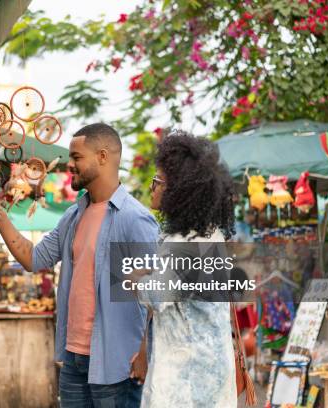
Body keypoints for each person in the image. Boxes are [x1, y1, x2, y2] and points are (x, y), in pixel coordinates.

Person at [0, 123, 161, 407]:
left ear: (102, 157)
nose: (70, 164)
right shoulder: (74, 216)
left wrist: (144, 351)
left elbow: (157, 292)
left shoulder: (133, 219)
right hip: (74, 357)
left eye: (77, 157)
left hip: (117, 362)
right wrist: (0, 217)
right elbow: (33, 258)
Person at [139, 131, 237, 407]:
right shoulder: (212, 236)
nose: (152, 187)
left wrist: (137, 278)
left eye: (157, 181)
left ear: (179, 190)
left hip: (184, 382)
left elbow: (158, 297)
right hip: (212, 375)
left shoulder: (184, 244)